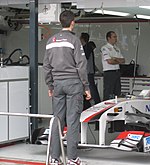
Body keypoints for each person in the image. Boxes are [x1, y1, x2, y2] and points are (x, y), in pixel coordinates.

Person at [43, 10, 91, 165]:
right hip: (73, 84)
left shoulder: (50, 41)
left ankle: (54, 158)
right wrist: (86, 87)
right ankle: (72, 158)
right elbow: (81, 65)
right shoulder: (74, 40)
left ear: (60, 22)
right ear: (72, 22)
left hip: (57, 84)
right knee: (72, 121)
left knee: (57, 120)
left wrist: (50, 85)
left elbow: (46, 66)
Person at [101, 31, 125, 100]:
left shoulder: (117, 49)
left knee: (117, 92)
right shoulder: (104, 48)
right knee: (108, 92)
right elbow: (110, 61)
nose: (116, 39)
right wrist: (118, 61)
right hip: (109, 72)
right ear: (109, 38)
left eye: (116, 37)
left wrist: (115, 59)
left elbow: (123, 60)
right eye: (114, 37)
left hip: (117, 72)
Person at [80, 33, 101, 108]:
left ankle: (97, 102)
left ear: (82, 39)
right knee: (90, 87)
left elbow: (83, 59)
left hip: (87, 71)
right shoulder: (87, 47)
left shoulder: (86, 47)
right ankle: (89, 103)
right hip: (89, 71)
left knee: (91, 88)